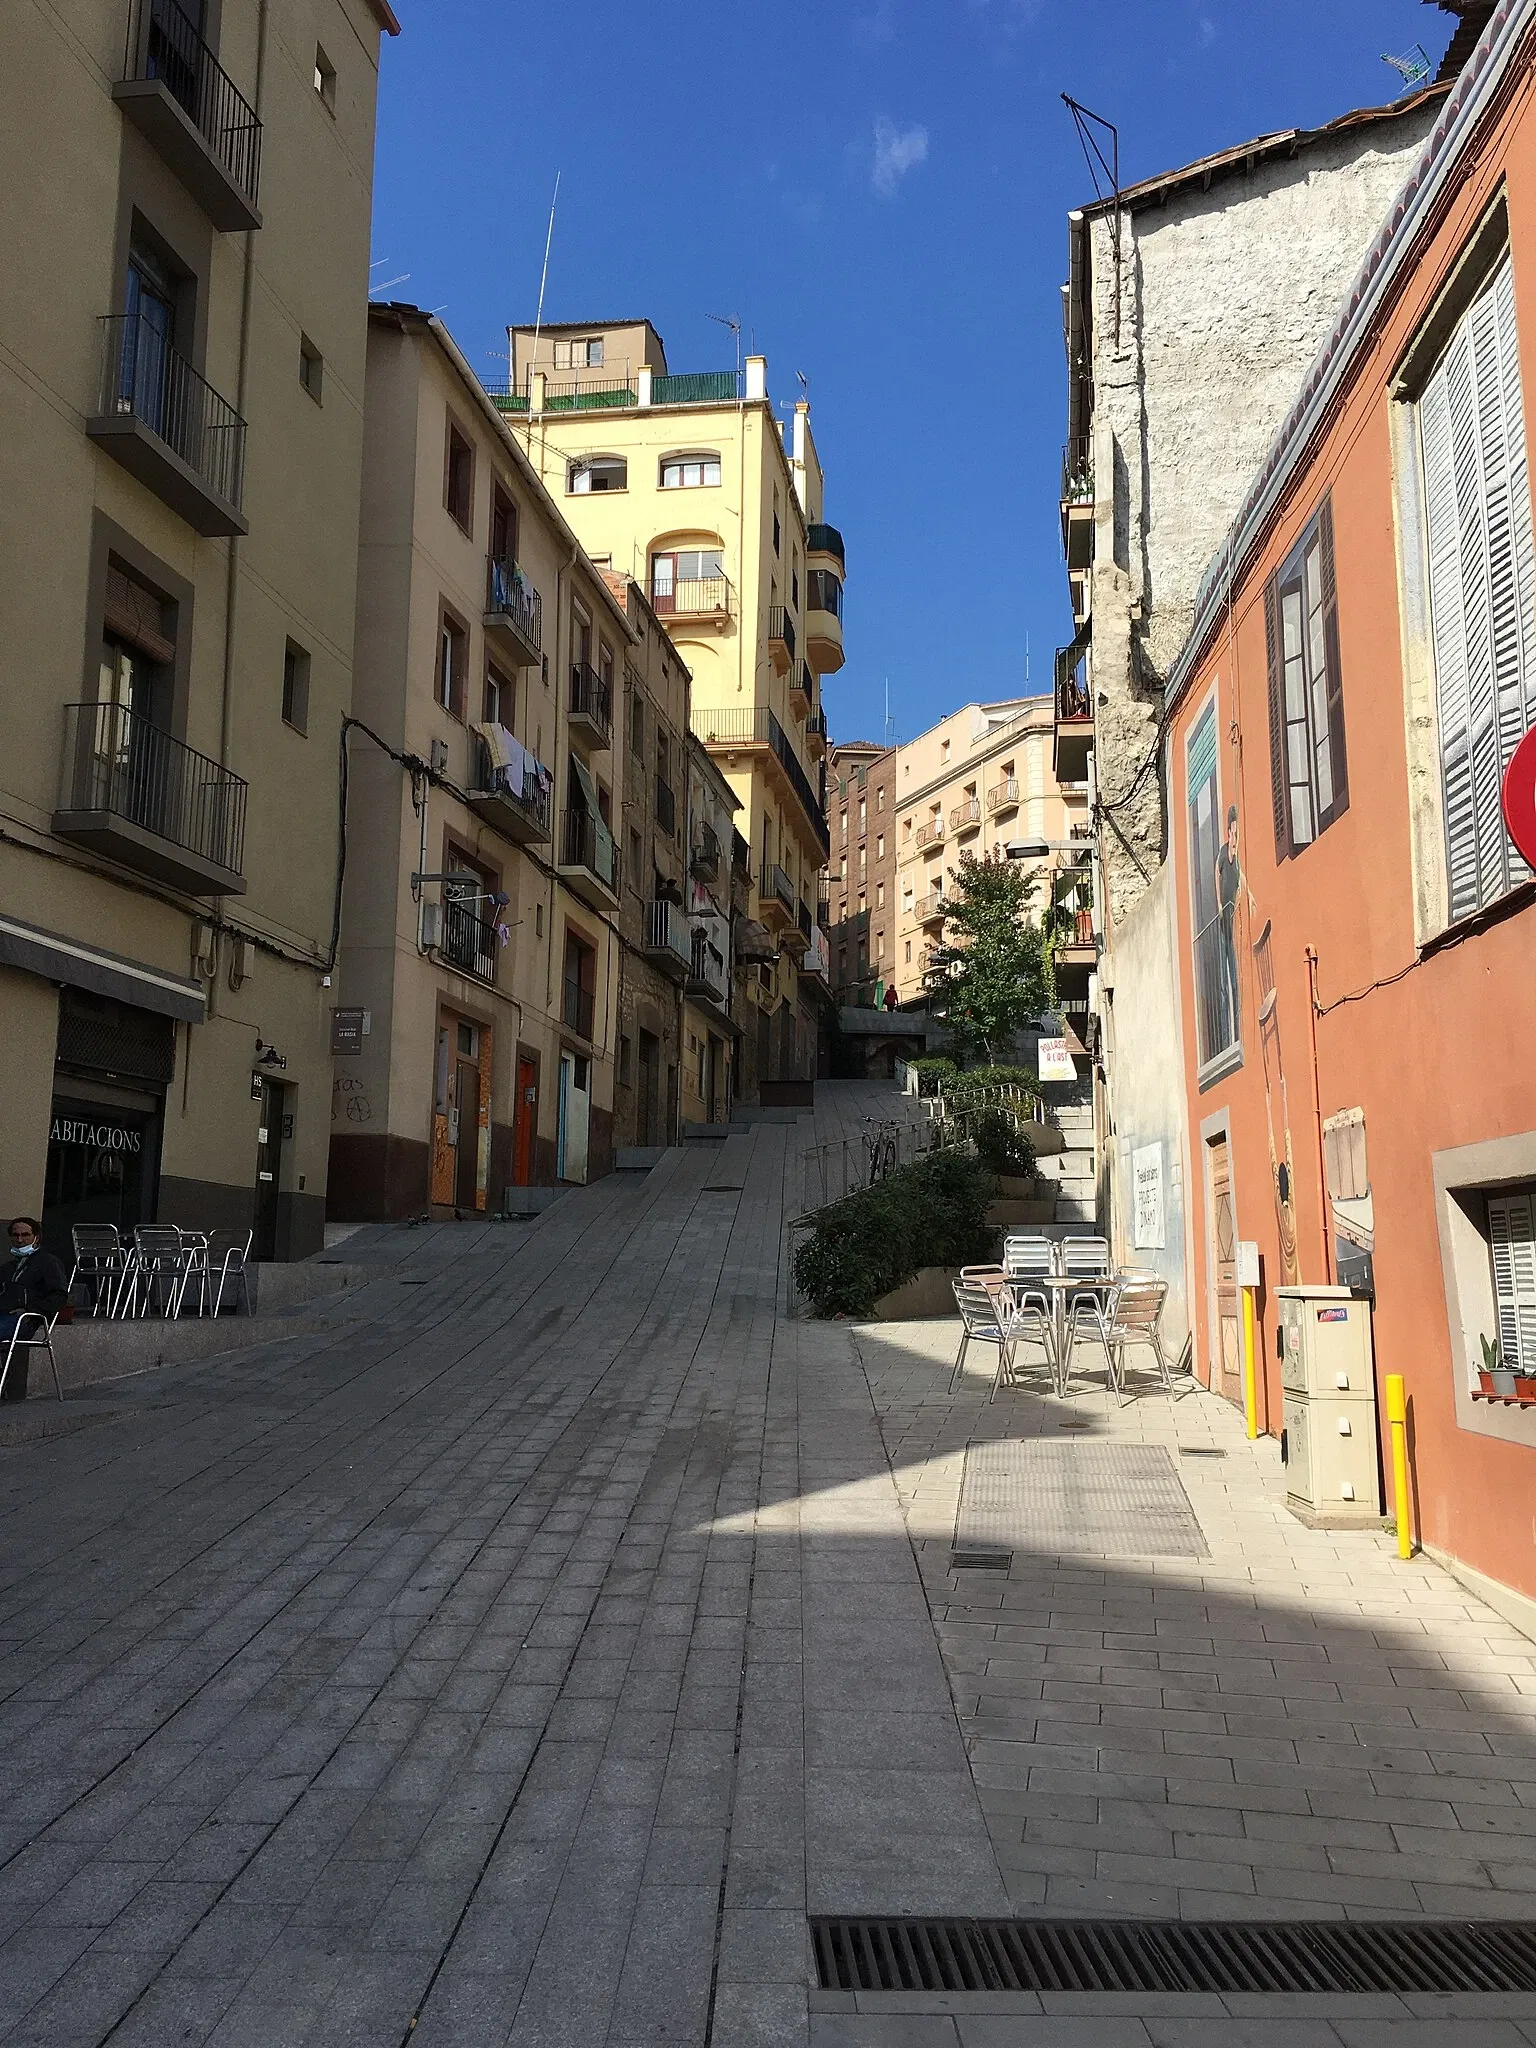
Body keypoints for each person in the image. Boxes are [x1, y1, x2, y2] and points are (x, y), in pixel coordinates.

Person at [0, 1217, 70, 1401]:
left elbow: (59, 1295)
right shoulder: (8, 1268)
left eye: (25, 1235)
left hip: (27, 1320)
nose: (20, 1240)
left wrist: (30, 1309)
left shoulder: (48, 1263)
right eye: (15, 1235)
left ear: (36, 1237)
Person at [1214, 804, 1242, 1045]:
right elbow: (1216, 873)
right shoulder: (1224, 853)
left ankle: (1236, 1030)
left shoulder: (1236, 857)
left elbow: (1241, 882)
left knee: (1234, 973)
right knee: (1226, 975)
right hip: (1224, 916)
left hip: (1233, 915)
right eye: (1232, 831)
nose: (1234, 836)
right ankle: (1228, 1035)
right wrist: (1218, 907)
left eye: (1236, 832)